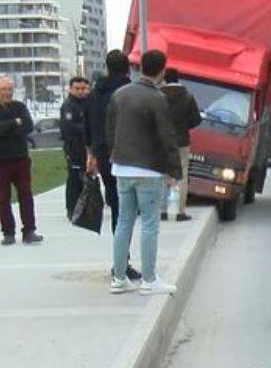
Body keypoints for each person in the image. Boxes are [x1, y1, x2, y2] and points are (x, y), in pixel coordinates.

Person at [105, 49, 182, 295]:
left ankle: (119, 277)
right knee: (150, 224)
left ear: (139, 67)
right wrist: (174, 170)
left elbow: (110, 130)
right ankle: (149, 279)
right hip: (149, 170)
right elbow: (166, 136)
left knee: (124, 222)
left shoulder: (119, 95)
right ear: (162, 70)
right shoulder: (157, 98)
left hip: (121, 168)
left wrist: (114, 156)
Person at [86, 50, 140, 280]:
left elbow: (87, 125)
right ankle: (121, 264)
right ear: (127, 68)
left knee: (117, 206)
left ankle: (121, 260)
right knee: (127, 210)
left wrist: (91, 154)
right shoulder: (130, 92)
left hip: (102, 154)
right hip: (126, 155)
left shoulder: (94, 94)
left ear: (107, 68)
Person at [0, 77, 43, 246]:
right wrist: (14, 123)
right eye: (4, 89)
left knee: (26, 194)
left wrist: (3, 126)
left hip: (20, 158)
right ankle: (8, 232)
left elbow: (28, 126)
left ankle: (29, 230)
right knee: (3, 197)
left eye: (10, 89)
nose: (7, 93)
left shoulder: (20, 107)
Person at [160, 68, 201, 222]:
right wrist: (184, 126)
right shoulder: (188, 96)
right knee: (182, 175)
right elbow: (196, 120)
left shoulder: (158, 96)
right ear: (178, 79)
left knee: (163, 175)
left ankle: (162, 210)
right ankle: (179, 212)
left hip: (162, 141)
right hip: (182, 141)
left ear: (164, 78)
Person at [60, 76, 91, 219]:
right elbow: (69, 127)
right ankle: (72, 208)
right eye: (77, 88)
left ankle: (85, 207)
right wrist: (87, 128)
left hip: (88, 147)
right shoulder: (68, 105)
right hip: (74, 148)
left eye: (83, 88)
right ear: (71, 89)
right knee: (74, 179)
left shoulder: (89, 103)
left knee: (87, 178)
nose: (81, 91)